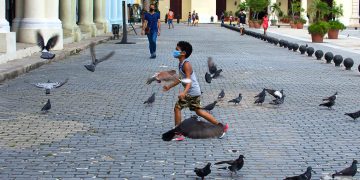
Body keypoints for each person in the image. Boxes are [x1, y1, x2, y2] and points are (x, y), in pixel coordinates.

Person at [163, 41, 229, 141]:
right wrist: (169, 86)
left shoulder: (186, 65)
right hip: (194, 91)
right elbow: (181, 79)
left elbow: (188, 81)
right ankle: (221, 127)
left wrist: (184, 93)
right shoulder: (181, 63)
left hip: (191, 92)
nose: (174, 51)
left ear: (183, 53)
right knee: (199, 111)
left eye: (177, 50)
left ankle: (178, 133)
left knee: (177, 108)